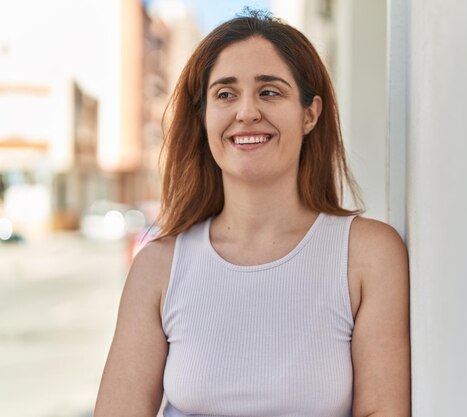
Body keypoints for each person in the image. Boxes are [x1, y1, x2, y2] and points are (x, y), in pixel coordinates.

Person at [94, 9, 409, 417]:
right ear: (204, 116)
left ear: (310, 113)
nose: (246, 112)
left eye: (270, 92)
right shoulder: (158, 267)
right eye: (225, 94)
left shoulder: (367, 255)